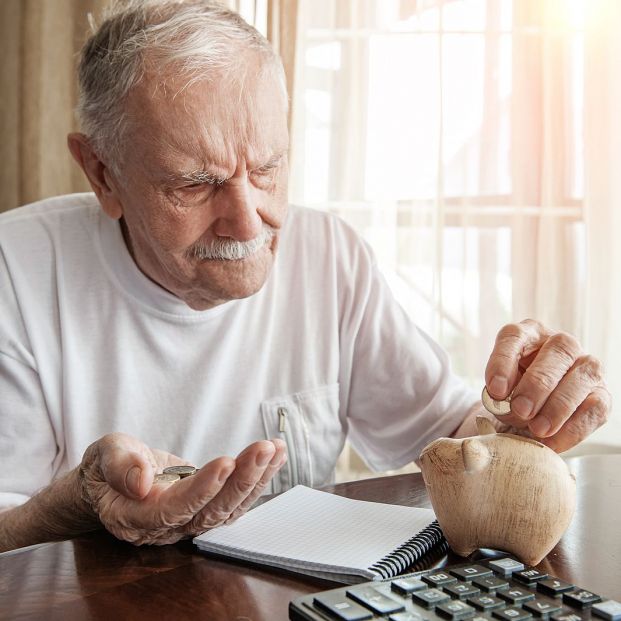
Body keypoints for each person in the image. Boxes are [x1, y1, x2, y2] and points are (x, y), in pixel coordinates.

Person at [0, 0, 610, 553]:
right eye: (195, 183)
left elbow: (453, 435)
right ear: (102, 174)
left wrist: (520, 415)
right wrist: (79, 505)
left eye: (267, 169)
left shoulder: (331, 255)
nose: (247, 224)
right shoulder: (17, 271)